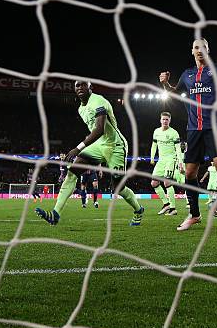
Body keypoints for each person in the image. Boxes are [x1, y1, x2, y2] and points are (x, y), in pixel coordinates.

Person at [159, 38, 217, 232]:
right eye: (197, 47)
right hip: (193, 130)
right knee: (190, 173)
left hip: (216, 126)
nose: (200, 51)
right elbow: (175, 93)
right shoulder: (187, 74)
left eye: (204, 48)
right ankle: (194, 214)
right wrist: (166, 84)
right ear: (192, 51)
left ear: (208, 50)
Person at [36, 81, 144, 226]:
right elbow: (94, 131)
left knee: (118, 188)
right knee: (72, 172)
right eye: (77, 86)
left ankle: (138, 210)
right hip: (98, 145)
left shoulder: (98, 101)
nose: (80, 88)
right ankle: (55, 214)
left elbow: (100, 129)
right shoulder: (81, 109)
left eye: (83, 85)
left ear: (90, 87)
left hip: (115, 146)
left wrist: (78, 148)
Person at [150, 112, 184, 216]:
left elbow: (178, 149)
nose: (165, 121)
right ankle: (166, 204)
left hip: (171, 159)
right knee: (154, 183)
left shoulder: (174, 133)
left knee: (167, 182)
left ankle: (173, 209)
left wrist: (180, 161)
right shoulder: (156, 132)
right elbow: (154, 145)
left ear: (169, 121)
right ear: (160, 120)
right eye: (163, 119)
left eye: (167, 120)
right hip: (161, 160)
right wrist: (152, 157)